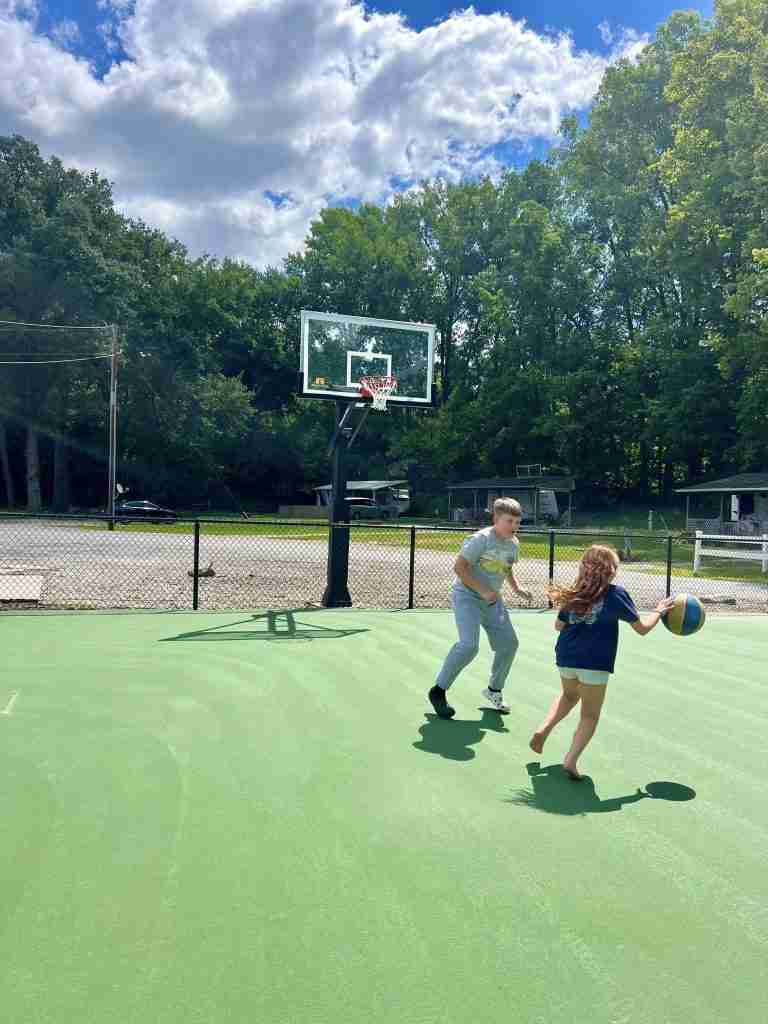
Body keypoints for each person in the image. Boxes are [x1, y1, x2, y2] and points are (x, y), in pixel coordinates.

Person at [529, 545, 674, 779]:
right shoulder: (616, 595)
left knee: (568, 695)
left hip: (566, 657)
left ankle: (543, 730)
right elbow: (642, 629)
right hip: (595, 662)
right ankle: (571, 760)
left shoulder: (573, 593)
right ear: (611, 572)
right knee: (589, 715)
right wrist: (659, 611)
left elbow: (558, 626)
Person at [428, 497, 532, 719]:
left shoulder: (514, 543)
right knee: (469, 646)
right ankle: (438, 691)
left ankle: (494, 690)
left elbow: (507, 567)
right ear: (496, 519)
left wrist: (517, 588)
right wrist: (483, 590)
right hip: (467, 596)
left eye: (517, 522)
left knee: (509, 644)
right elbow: (460, 568)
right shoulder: (480, 539)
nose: (514, 526)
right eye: (509, 521)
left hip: (492, 601)